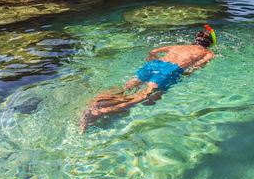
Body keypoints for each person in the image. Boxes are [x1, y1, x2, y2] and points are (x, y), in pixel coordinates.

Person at [78, 26, 217, 132]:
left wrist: (151, 62)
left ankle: (95, 103)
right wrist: (187, 74)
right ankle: (97, 113)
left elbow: (153, 52)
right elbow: (196, 67)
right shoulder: (208, 53)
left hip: (154, 64)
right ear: (209, 44)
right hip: (170, 70)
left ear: (195, 40)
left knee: (125, 87)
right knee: (139, 98)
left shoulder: (178, 46)